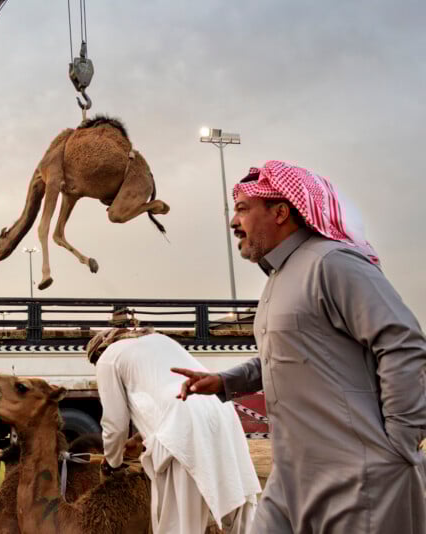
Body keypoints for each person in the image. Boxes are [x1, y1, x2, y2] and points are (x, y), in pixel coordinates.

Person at [173, 160, 426, 533]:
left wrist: (400, 443)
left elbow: (401, 342)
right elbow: (283, 356)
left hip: (355, 479)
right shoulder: (280, 278)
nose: (233, 221)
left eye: (243, 209)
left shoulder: (333, 263)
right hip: (290, 477)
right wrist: (224, 382)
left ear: (280, 212)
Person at [88, 327, 261, 534]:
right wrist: (140, 436)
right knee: (237, 506)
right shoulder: (160, 340)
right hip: (221, 412)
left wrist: (112, 462)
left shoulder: (108, 359)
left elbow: (115, 425)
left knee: (180, 522)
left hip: (181, 430)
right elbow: (162, 391)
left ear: (98, 351)